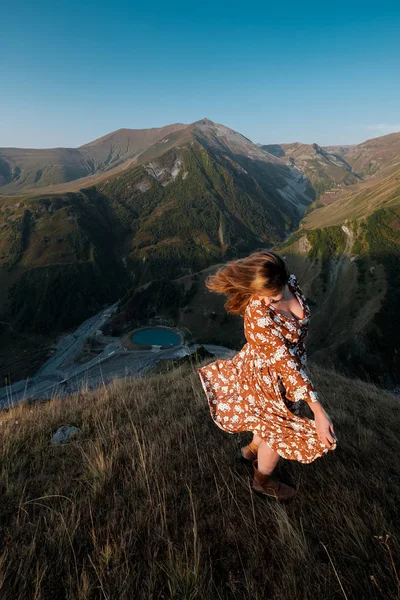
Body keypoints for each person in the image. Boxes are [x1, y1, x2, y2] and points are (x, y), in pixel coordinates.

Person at [196, 250, 337, 502]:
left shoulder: (289, 281)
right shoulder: (258, 316)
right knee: (277, 431)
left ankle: (250, 451)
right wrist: (317, 410)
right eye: (266, 297)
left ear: (281, 279)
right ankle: (262, 481)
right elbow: (285, 366)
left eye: (273, 295)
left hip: (285, 368)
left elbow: (290, 358)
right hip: (270, 378)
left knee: (267, 419)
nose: (270, 301)